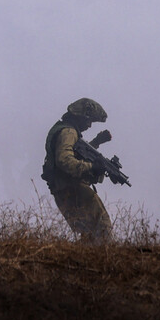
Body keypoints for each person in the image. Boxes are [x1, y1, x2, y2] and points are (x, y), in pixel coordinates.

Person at [41, 98, 113, 243]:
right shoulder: (69, 132)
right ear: (80, 117)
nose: (89, 125)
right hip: (72, 188)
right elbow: (64, 160)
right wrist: (92, 167)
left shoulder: (64, 129)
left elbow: (77, 153)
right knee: (102, 226)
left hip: (63, 189)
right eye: (89, 120)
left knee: (88, 234)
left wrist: (96, 142)